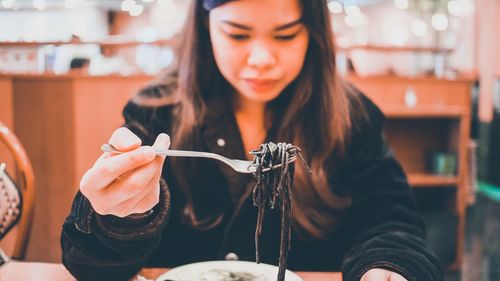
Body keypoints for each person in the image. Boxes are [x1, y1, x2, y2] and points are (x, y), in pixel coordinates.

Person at [60, 0, 445, 280]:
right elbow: (89, 267)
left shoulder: (351, 116)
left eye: (285, 34)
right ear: (205, 27)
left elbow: (394, 222)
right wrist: (120, 217)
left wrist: (388, 265)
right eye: (237, 34)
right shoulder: (156, 111)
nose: (261, 58)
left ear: (313, 33)